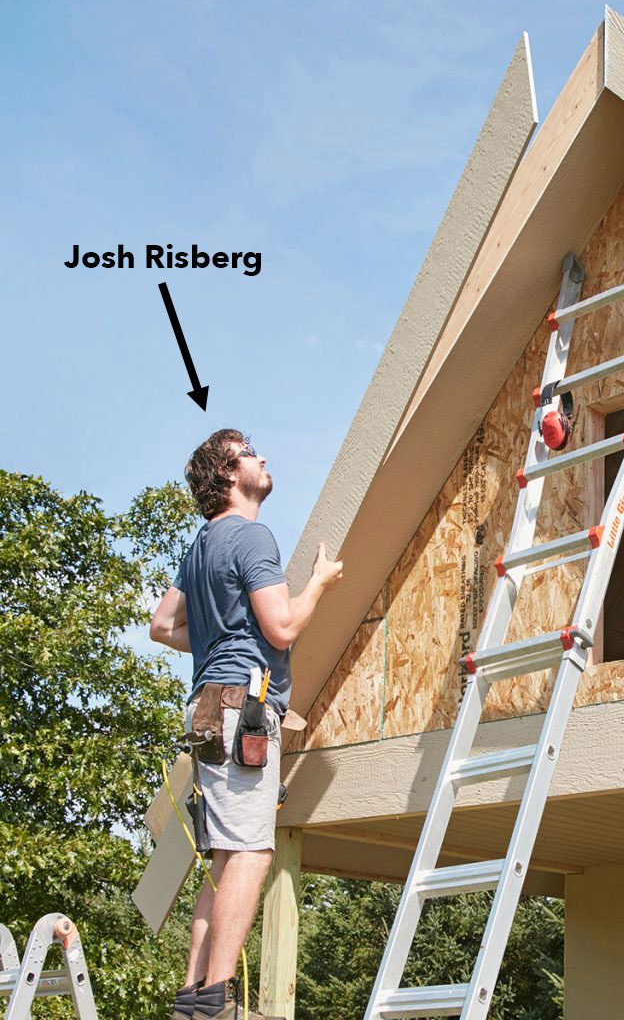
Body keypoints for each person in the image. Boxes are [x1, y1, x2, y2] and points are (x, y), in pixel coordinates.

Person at [150, 429, 344, 1020]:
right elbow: (282, 628)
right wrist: (320, 582)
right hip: (244, 708)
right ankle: (216, 998)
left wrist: (215, 639)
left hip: (208, 707)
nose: (263, 457)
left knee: (225, 855)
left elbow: (161, 625)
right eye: (251, 452)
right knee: (252, 852)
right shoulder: (253, 535)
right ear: (231, 475)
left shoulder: (201, 545)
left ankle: (194, 995)